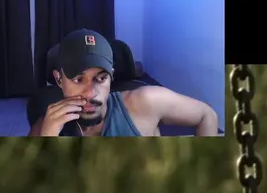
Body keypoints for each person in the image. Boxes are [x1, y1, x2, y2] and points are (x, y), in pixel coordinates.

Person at [28, 29, 219, 137]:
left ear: (111, 76)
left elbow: (207, 115)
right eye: (78, 79)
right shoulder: (45, 127)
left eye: (101, 78)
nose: (91, 93)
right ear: (59, 79)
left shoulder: (146, 102)